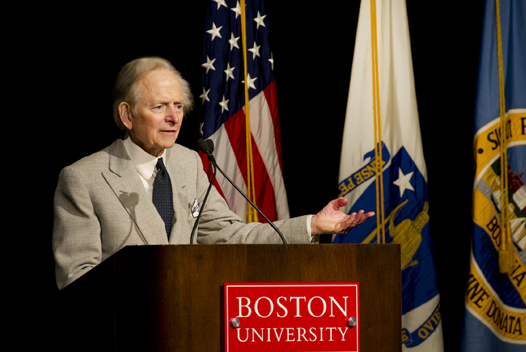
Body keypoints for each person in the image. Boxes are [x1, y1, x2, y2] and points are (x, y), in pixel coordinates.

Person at [52, 57, 374, 290]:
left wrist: (311, 225)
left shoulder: (189, 163)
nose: (173, 118)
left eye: (178, 106)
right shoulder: (84, 179)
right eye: (159, 106)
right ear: (127, 114)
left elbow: (232, 237)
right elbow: (77, 281)